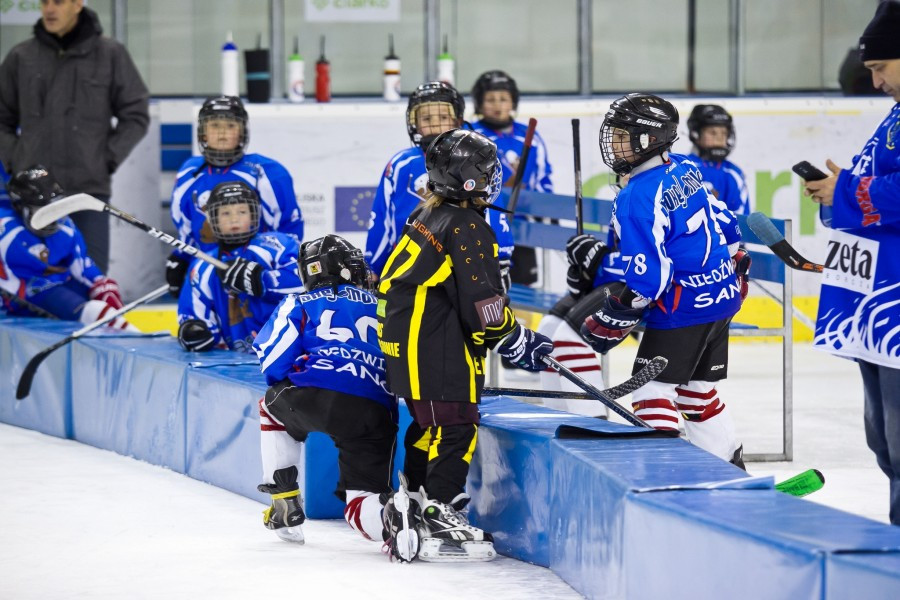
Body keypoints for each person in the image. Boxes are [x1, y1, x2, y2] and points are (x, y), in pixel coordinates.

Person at [377, 128, 553, 561]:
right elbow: (482, 307)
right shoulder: (468, 226)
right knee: (455, 427)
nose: (495, 177)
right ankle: (441, 506)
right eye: (489, 170)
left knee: (427, 426)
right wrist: (516, 339)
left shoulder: (427, 213)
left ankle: (414, 499)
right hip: (434, 347)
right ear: (470, 180)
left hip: (408, 342)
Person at [578, 93, 748, 467]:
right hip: (722, 295)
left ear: (647, 140)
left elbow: (650, 279)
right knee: (696, 393)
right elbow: (725, 222)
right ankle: (730, 468)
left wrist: (617, 313)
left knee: (650, 392)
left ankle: (668, 481)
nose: (614, 143)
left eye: (622, 135)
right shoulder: (684, 166)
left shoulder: (637, 196)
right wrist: (736, 255)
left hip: (683, 308)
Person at [251, 235, 418, 560]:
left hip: (314, 391)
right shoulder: (387, 304)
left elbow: (272, 363)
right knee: (360, 503)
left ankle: (284, 501)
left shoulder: (298, 302)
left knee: (270, 408)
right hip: (375, 408)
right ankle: (390, 516)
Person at [802, 0, 900, 525]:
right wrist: (835, 192)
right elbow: (862, 189)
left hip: (895, 305)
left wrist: (849, 191)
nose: (876, 81)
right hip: (876, 304)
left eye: (880, 67)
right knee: (884, 442)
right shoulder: (895, 115)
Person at [0, 0, 150, 274]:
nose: (49, 9)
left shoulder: (110, 54)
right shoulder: (21, 56)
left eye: (58, 2)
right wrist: (16, 162)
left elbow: (136, 114)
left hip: (88, 193)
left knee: (92, 281)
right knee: (38, 287)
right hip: (34, 197)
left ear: (78, 4)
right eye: (44, 2)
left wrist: (105, 159)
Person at [365, 82, 514, 290]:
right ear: (414, 122)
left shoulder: (476, 159)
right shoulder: (401, 165)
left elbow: (492, 210)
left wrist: (501, 258)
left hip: (466, 265)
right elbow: (383, 220)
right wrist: (373, 267)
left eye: (443, 118)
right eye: (427, 118)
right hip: (410, 267)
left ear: (457, 120)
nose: (436, 126)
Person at [167, 95, 303, 298]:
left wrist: (267, 277)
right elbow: (186, 227)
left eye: (230, 125)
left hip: (256, 277)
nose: (222, 133)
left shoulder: (267, 172)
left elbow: (289, 233)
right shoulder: (189, 173)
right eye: (214, 125)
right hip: (211, 275)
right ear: (203, 133)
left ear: (242, 132)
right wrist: (181, 257)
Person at [176, 181, 304, 354]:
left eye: (242, 212)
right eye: (225, 213)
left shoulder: (279, 244)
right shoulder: (202, 266)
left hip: (292, 353)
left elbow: (307, 282)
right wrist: (194, 331)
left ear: (253, 214)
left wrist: (263, 280)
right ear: (213, 219)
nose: (234, 219)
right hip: (238, 365)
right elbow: (194, 312)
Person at [0, 166, 134, 330]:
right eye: (42, 210)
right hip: (26, 294)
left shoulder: (67, 228)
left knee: (102, 301)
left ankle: (130, 342)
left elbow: (81, 267)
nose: (53, 219)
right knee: (94, 310)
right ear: (20, 207)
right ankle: (139, 344)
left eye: (56, 208)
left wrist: (101, 284)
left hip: (56, 286)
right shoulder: (6, 230)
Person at [470, 70, 554, 286]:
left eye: (503, 99)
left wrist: (539, 203)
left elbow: (543, 179)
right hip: (482, 227)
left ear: (513, 102)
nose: (497, 105)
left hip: (522, 227)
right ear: (479, 103)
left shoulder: (529, 136)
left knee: (525, 284)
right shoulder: (470, 134)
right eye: (490, 99)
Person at [686, 104, 750, 215]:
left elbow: (740, 221)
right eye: (712, 132)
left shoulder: (733, 173)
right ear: (696, 134)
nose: (719, 138)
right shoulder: (683, 168)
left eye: (724, 133)